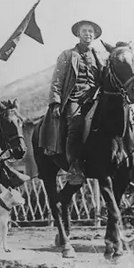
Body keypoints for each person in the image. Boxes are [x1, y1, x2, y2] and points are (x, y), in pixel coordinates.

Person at [42, 20, 105, 185]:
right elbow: (57, 80)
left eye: (91, 31)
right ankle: (74, 166)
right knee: (75, 124)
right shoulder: (67, 55)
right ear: (78, 34)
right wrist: (55, 103)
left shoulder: (99, 56)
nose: (88, 34)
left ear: (95, 35)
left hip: (94, 96)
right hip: (74, 97)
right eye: (84, 31)